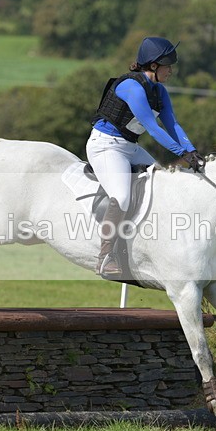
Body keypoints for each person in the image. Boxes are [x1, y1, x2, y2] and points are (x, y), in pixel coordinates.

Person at [87, 36, 205, 277]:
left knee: (162, 184)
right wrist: (181, 152)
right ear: (153, 66)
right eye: (167, 66)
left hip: (129, 147)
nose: (171, 71)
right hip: (106, 146)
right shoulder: (131, 87)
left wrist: (191, 151)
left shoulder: (159, 91)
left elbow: (172, 123)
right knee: (121, 196)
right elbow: (153, 127)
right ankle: (105, 256)